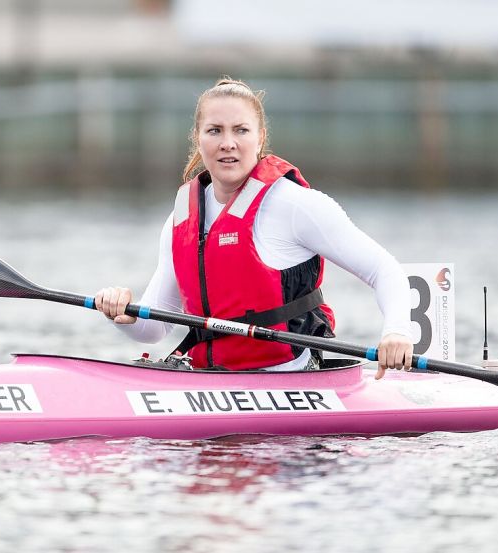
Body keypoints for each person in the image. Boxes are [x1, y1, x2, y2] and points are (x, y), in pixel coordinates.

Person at [95, 77, 413, 378]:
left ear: (260, 137)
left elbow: (384, 270)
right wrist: (124, 315)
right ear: (198, 138)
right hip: (211, 379)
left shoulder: (295, 205)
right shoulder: (181, 220)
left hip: (290, 377)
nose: (228, 143)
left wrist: (397, 332)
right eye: (215, 131)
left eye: (241, 130)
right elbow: (153, 329)